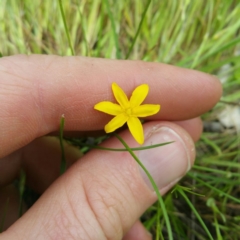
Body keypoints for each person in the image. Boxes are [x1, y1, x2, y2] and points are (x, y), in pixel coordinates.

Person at [0, 55, 222, 240]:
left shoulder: (138, 111)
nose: (129, 110)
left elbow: (146, 106)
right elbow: (111, 104)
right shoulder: (115, 108)